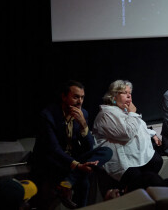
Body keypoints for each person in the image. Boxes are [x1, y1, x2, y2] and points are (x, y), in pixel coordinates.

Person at [92, 80, 168, 194]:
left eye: (130, 93)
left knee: (155, 162)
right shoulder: (106, 114)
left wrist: (152, 134)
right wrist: (132, 114)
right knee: (137, 177)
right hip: (122, 161)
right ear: (114, 95)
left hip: (135, 156)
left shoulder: (124, 111)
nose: (129, 95)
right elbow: (126, 134)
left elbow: (140, 126)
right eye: (124, 92)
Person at [32, 80, 112, 209]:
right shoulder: (48, 116)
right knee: (84, 181)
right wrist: (78, 165)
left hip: (73, 157)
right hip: (52, 160)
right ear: (64, 97)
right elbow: (54, 149)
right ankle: (72, 187)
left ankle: (69, 181)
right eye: (75, 97)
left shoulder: (83, 114)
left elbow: (89, 147)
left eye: (82, 97)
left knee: (107, 151)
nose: (80, 101)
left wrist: (83, 125)